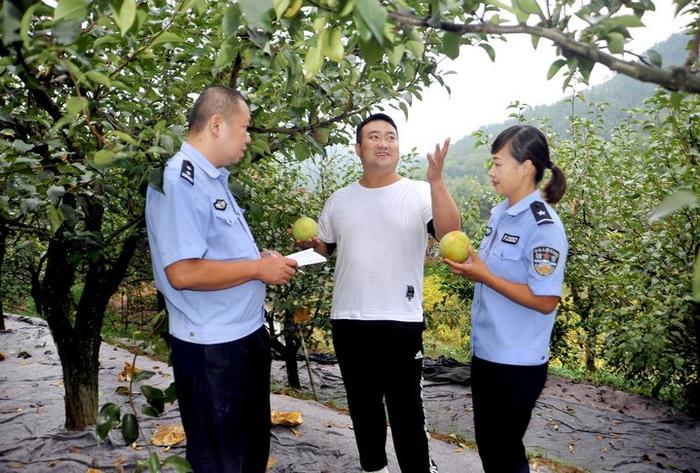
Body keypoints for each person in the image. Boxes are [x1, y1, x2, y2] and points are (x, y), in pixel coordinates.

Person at [145, 86, 298, 473]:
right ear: (216, 124)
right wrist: (256, 269)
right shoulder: (181, 181)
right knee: (221, 460)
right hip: (213, 351)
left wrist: (256, 260)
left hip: (241, 338)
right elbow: (182, 272)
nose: (248, 137)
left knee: (248, 455)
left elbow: (214, 252)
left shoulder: (213, 180)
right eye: (244, 128)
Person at [300, 113, 461, 473]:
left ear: (398, 147)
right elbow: (322, 249)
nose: (383, 143)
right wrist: (308, 246)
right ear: (359, 148)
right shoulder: (339, 200)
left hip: (400, 320)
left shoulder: (419, 192)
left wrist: (436, 181)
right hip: (348, 319)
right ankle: (373, 468)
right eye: (374, 137)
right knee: (363, 408)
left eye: (390, 136)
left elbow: (451, 233)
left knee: (406, 411)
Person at [443, 124, 568, 473]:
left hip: (517, 363)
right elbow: (495, 272)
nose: (490, 172)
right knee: (492, 450)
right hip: (488, 353)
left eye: (498, 164)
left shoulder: (542, 226)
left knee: (504, 454)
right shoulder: (501, 214)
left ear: (526, 167)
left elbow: (545, 300)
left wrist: (484, 276)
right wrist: (476, 268)